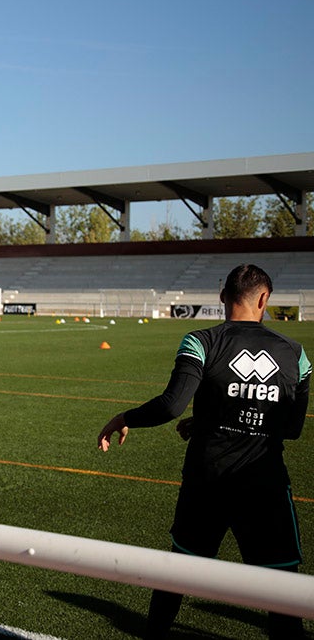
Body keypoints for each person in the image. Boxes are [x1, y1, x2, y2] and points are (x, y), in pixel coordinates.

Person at [97, 264, 310, 639]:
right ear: (264, 299)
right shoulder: (296, 354)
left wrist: (125, 416)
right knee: (282, 591)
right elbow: (290, 429)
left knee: (179, 572)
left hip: (206, 479)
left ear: (222, 296)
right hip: (264, 485)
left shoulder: (201, 341)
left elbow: (171, 406)